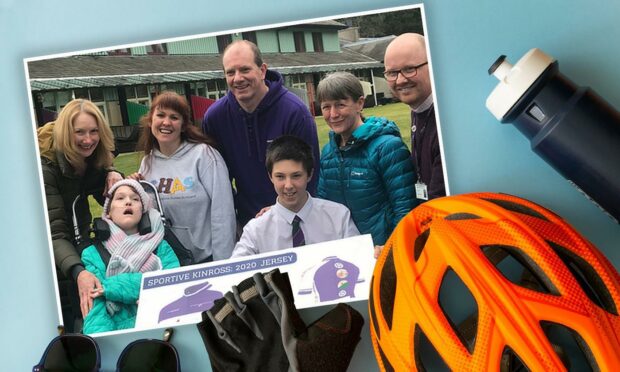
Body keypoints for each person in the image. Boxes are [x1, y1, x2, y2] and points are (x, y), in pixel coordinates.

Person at [202, 40, 320, 228]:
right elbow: (215, 179)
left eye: (245, 70)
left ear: (262, 70)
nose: (238, 78)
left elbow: (310, 177)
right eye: (230, 72)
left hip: (294, 221)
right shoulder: (215, 118)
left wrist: (279, 212)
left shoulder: (295, 113)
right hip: (246, 225)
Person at [38, 99, 123, 326]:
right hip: (49, 257)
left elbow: (111, 200)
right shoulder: (45, 169)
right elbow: (54, 233)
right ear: (66, 133)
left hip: (80, 244)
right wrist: (79, 272)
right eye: (80, 132)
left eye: (94, 131)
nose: (88, 140)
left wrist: (115, 176)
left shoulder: (90, 157)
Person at [129, 91, 236, 263]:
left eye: (174, 117)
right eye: (161, 115)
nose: (166, 122)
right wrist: (134, 190)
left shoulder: (204, 156)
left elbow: (223, 213)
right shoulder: (147, 163)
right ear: (150, 121)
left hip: (207, 259)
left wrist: (223, 263)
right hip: (169, 263)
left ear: (184, 125)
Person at [316, 71, 417, 249]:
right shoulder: (328, 152)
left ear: (359, 103)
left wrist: (391, 249)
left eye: (340, 105)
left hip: (383, 252)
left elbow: (404, 208)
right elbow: (322, 207)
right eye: (326, 107)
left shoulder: (387, 148)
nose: (333, 114)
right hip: (346, 255)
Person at [231, 135, 359, 257]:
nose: (288, 185)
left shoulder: (338, 217)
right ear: (270, 176)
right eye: (280, 177)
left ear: (309, 175)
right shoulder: (256, 230)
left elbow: (358, 258)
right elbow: (235, 272)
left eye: (296, 176)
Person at [81, 179, 180, 333]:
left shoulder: (161, 247)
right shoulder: (91, 254)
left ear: (143, 210)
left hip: (160, 326)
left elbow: (172, 286)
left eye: (135, 199)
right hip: (117, 334)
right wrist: (109, 343)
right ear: (108, 212)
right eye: (120, 198)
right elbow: (95, 311)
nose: (128, 202)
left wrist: (110, 287)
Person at [384, 33, 446, 200]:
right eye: (392, 73)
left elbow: (441, 197)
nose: (400, 80)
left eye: (409, 69)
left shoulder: (446, 123)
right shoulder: (419, 110)